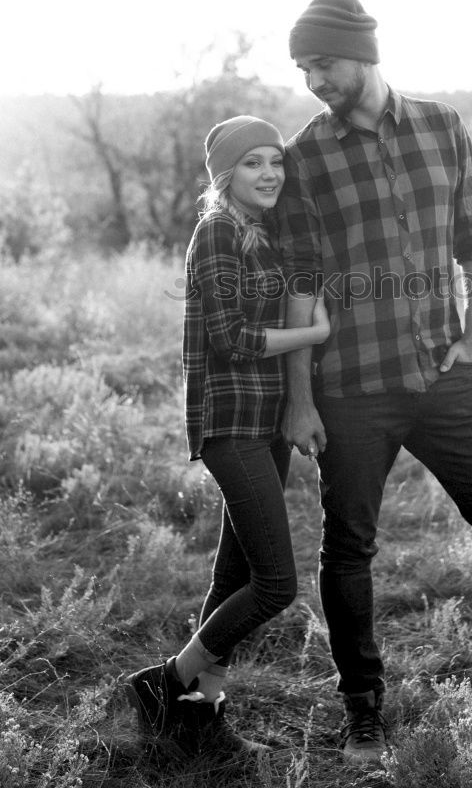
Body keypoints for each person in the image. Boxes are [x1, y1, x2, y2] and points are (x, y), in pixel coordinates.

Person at [277, 0, 472, 766]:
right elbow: (300, 280)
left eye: (321, 63)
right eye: (301, 69)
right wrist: (299, 399)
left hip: (444, 376)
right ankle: (361, 707)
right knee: (349, 547)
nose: (312, 81)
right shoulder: (306, 156)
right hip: (352, 385)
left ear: (360, 51)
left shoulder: (441, 125)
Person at [126, 115, 329, 760]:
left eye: (276, 160)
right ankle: (166, 682)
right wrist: (312, 336)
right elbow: (231, 338)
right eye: (253, 163)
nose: (269, 173)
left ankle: (199, 714)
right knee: (277, 584)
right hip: (229, 423)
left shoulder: (262, 232)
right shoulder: (216, 232)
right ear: (225, 173)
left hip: (263, 421)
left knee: (233, 574)